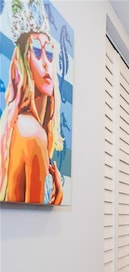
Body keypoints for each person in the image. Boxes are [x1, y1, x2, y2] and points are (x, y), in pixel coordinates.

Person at [0, 0, 64, 204]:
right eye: (37, 51)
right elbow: (36, 211)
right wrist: (57, 198)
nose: (46, 62)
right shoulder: (33, 133)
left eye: (50, 53)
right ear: (24, 61)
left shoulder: (20, 125)